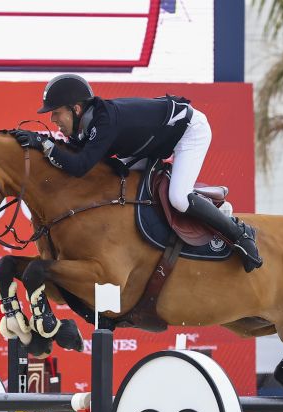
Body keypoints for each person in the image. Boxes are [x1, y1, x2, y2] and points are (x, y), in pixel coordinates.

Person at [13, 73, 262, 272]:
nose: (53, 119)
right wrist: (39, 140)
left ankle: (239, 234)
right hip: (153, 143)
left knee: (178, 198)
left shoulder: (103, 122)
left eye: (56, 112)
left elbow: (79, 167)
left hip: (188, 130)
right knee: (116, 177)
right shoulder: (88, 123)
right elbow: (75, 155)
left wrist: (44, 145)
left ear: (76, 109)